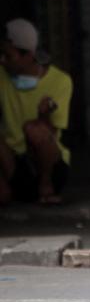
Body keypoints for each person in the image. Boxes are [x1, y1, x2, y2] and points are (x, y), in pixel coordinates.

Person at [0, 19, 73, 205]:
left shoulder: (60, 81)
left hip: (45, 163)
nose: (3, 60)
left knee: (33, 129)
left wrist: (43, 115)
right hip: (14, 161)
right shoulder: (2, 75)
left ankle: (46, 186)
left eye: (9, 56)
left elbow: (52, 134)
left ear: (28, 55)